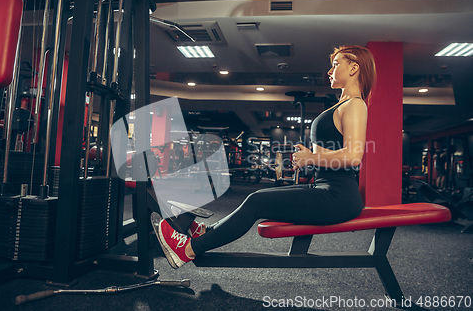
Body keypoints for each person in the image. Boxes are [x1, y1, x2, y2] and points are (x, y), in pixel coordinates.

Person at [151, 45, 377, 269]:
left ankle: (187, 250)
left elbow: (353, 156)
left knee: (256, 203)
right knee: (257, 196)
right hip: (324, 188)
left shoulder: (355, 105)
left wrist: (311, 158)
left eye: (336, 65)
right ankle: (207, 233)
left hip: (338, 198)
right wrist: (307, 156)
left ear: (354, 68)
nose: (329, 71)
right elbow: (333, 151)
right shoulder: (342, 105)